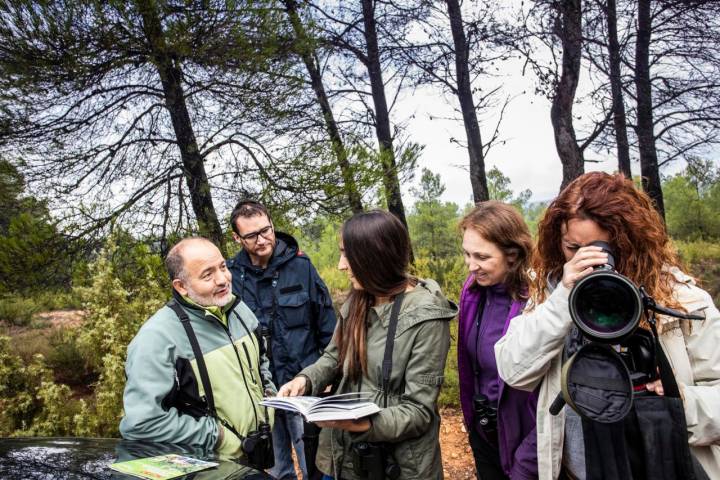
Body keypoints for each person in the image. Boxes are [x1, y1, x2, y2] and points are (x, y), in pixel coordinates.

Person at [494, 172, 720, 480]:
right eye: (573, 247)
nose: (587, 260)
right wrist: (563, 302)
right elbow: (513, 370)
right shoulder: (553, 294)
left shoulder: (682, 299)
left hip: (664, 466)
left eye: (604, 249)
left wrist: (682, 404)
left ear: (631, 242)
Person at [278, 209, 458, 480]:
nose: (341, 265)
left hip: (397, 466)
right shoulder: (358, 301)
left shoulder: (427, 316)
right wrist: (305, 380)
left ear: (375, 256)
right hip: (344, 457)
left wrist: (361, 422)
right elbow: (334, 356)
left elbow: (419, 411)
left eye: (347, 254)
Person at [120, 237, 275, 460]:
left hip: (254, 458)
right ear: (181, 287)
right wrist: (217, 437)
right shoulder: (156, 339)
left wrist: (268, 399)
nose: (223, 279)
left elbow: (261, 361)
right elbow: (141, 423)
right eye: (207, 274)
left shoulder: (238, 309)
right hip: (208, 469)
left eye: (223, 267)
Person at [228, 200, 337, 480]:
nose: (262, 239)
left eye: (266, 230)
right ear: (237, 238)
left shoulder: (301, 266)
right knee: (276, 471)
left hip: (304, 389)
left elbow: (327, 324)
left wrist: (331, 375)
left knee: (315, 464)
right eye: (252, 235)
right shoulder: (231, 278)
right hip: (263, 395)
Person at [457, 201, 538, 480]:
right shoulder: (473, 293)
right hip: (485, 435)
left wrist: (527, 463)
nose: (471, 265)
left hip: (525, 444)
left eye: (481, 256)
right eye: (467, 254)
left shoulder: (538, 303)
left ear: (512, 256)